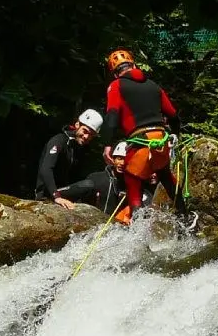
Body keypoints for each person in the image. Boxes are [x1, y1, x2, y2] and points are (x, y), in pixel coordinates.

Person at [100, 49, 181, 226]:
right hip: (160, 139)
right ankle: (187, 216)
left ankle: (140, 232)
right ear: (134, 65)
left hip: (140, 142)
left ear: (115, 72)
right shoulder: (153, 85)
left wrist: (107, 145)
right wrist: (177, 135)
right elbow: (173, 114)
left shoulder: (116, 85)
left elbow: (112, 116)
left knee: (133, 183)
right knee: (166, 176)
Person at [53, 142, 156, 212]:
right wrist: (57, 196)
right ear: (113, 159)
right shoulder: (98, 178)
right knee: (88, 185)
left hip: (116, 228)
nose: (122, 163)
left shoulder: (133, 183)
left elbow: (147, 200)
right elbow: (68, 190)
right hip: (92, 222)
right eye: (119, 158)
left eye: (126, 160)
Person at [35, 109, 103, 203]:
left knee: (94, 186)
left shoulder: (80, 148)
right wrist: (56, 196)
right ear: (77, 125)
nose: (86, 137)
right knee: (88, 185)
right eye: (85, 131)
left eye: (91, 135)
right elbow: (46, 169)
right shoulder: (59, 140)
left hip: (63, 191)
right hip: (48, 194)